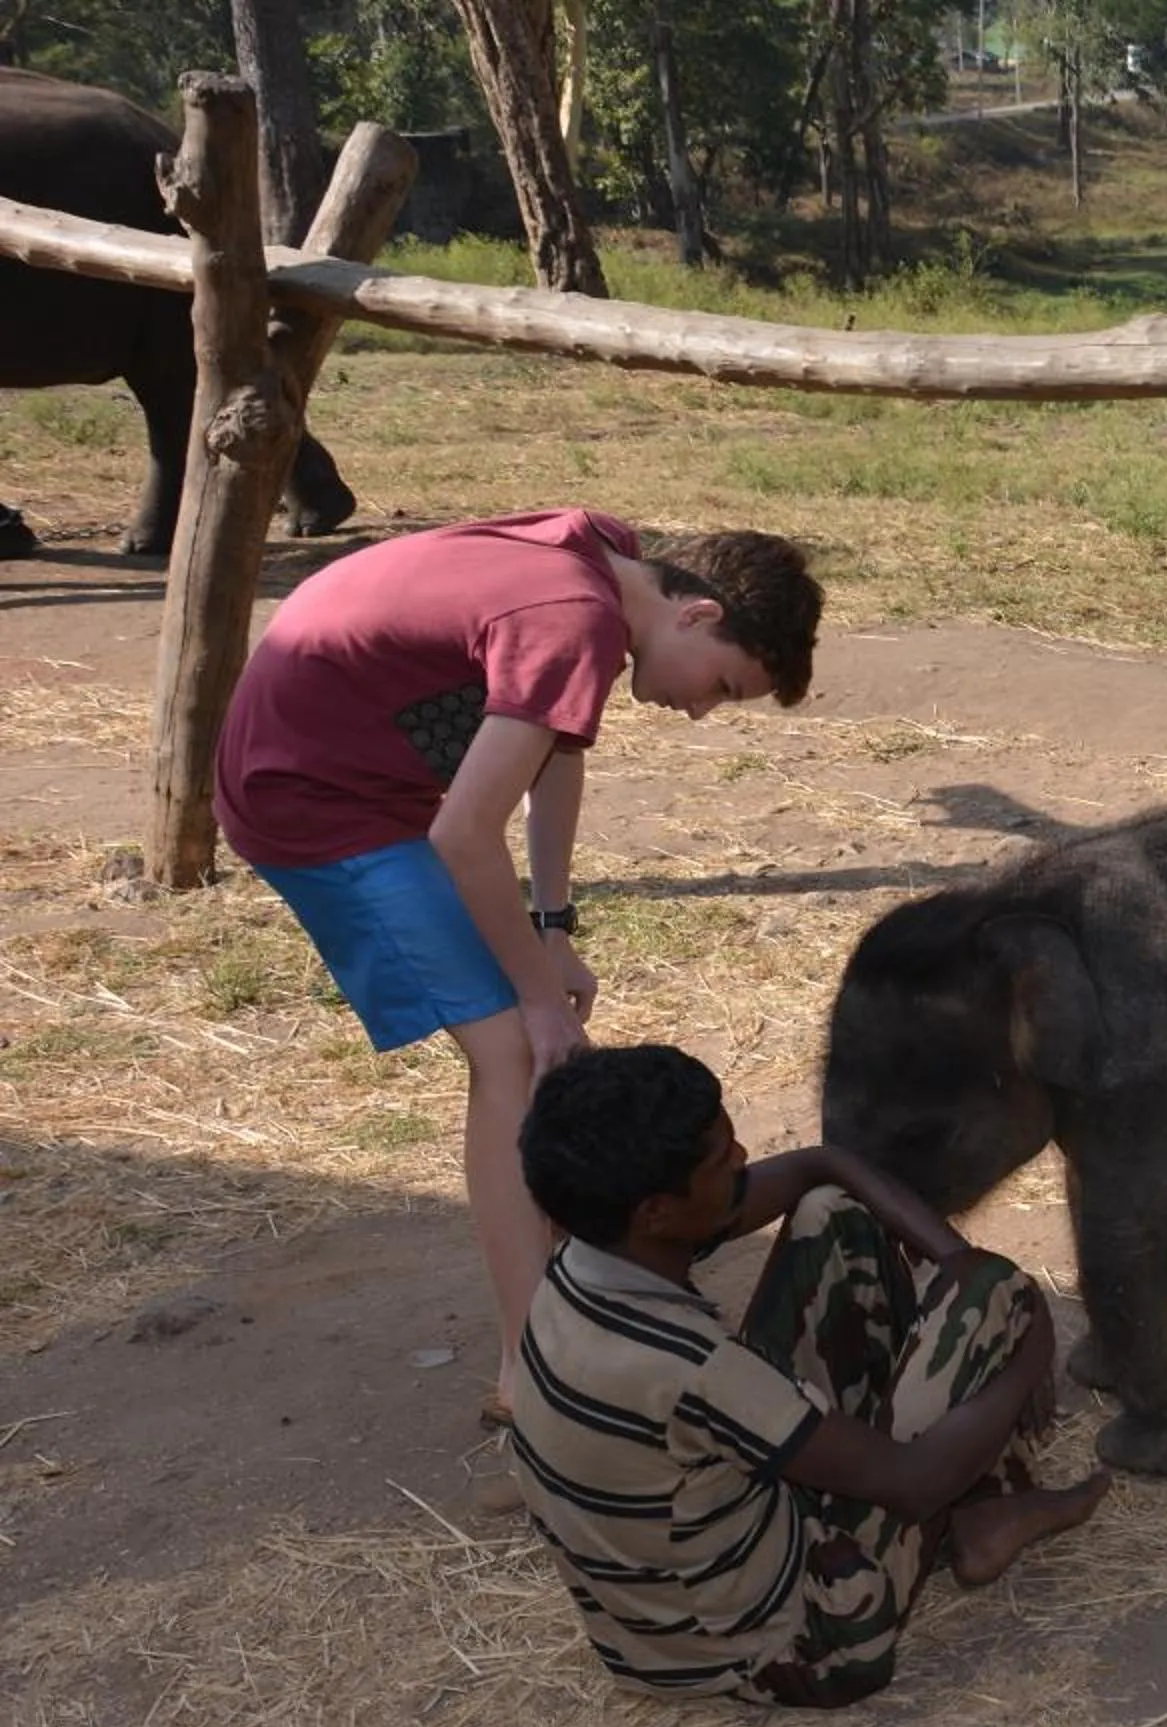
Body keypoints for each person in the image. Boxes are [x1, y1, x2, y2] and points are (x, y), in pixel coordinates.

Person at [212, 509, 824, 1425]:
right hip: (308, 796)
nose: (701, 712)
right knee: (509, 1050)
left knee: (535, 1043)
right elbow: (464, 834)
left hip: (365, 770)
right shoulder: (574, 618)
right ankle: (531, 1370)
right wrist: (538, 1000)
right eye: (724, 688)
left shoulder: (602, 560)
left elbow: (552, 754)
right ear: (696, 614)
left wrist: (553, 929)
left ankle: (571, 1293)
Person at [512, 1044, 1112, 1705]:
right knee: (996, 1293)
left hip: (659, 1638)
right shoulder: (692, 1367)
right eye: (721, 1159)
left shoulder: (587, 1263)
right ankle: (983, 1510)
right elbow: (914, 1484)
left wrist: (952, 1258)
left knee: (835, 1212)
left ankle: (975, 1510)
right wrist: (1025, 1347)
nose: (742, 1158)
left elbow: (819, 1166)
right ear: (656, 1210)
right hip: (798, 1649)